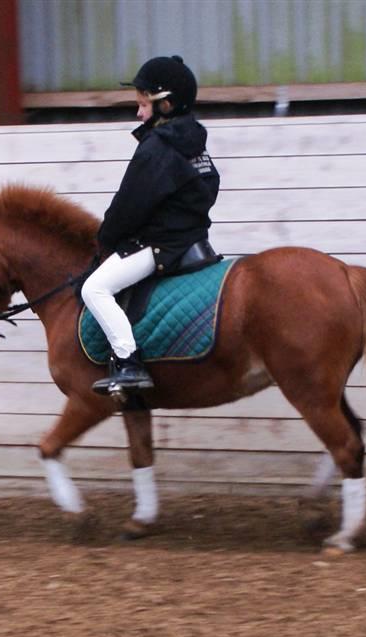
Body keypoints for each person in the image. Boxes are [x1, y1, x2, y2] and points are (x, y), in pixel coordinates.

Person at [81, 55, 221, 394]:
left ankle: (129, 362)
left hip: (161, 245)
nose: (139, 113)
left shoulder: (157, 147)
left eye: (143, 105)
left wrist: (106, 240)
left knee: (93, 289)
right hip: (192, 238)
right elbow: (210, 187)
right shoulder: (193, 144)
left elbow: (128, 206)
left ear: (167, 104)